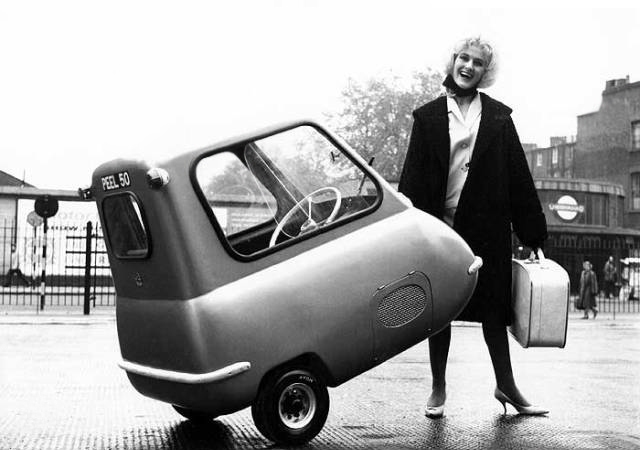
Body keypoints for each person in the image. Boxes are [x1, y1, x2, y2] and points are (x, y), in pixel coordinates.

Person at [398, 37, 548, 417]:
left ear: (486, 72)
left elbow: (518, 177)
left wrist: (533, 234)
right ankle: (438, 387)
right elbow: (412, 178)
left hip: (488, 225)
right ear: (452, 61)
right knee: (440, 309)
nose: (468, 66)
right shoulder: (428, 117)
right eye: (463, 58)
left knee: (494, 310)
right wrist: (409, 231)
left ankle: (506, 385)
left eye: (478, 62)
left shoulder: (498, 117)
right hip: (440, 227)